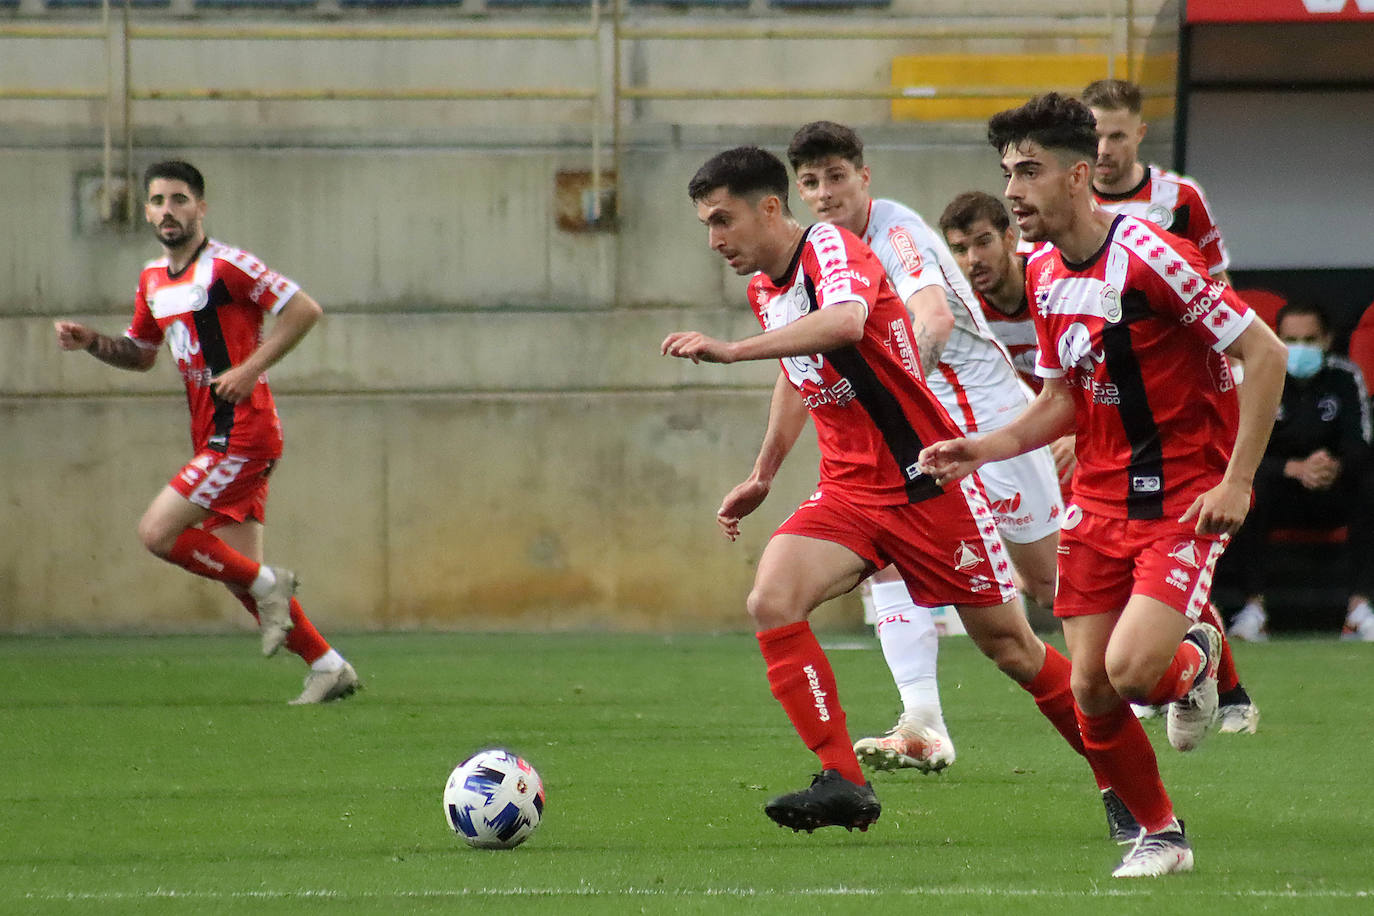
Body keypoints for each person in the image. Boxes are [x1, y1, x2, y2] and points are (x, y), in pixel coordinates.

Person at [661, 145, 1122, 838]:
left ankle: (1123, 779)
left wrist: (729, 351)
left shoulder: (830, 248)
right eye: (706, 224)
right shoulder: (766, 285)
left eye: (723, 220)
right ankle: (844, 779)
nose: (714, 239)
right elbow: (799, 365)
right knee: (772, 600)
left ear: (768, 208)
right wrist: (763, 472)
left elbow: (845, 322)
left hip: (926, 485)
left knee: (1013, 649)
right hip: (849, 491)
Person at [920, 93, 1287, 877]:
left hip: (1182, 497)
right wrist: (979, 448)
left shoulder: (1153, 256)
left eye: (1029, 171)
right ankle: (1163, 835)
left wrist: (1238, 482)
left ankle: (1192, 654)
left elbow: (1267, 355)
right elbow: (1059, 398)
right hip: (1097, 498)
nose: (1013, 189)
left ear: (1079, 175)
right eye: (1006, 172)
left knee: (1129, 671)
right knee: (1090, 688)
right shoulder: (1046, 271)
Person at [785, 121, 1064, 777]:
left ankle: (1171, 649)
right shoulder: (820, 255)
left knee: (1053, 586)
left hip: (986, 419)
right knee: (885, 555)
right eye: (811, 182)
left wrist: (898, 391)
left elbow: (932, 318)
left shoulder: (896, 232)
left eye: (836, 177)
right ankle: (923, 723)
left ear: (864, 177)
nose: (825, 193)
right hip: (922, 435)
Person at [940, 190, 1263, 735]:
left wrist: (1239, 479)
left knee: (1135, 651)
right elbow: (1057, 393)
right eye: (960, 249)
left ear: (1011, 239)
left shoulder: (1136, 257)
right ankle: (1148, 814)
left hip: (1156, 457)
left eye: (983, 242)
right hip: (1070, 453)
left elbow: (1257, 348)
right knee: (1091, 671)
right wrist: (991, 445)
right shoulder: (972, 310)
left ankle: (1212, 675)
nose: (974, 259)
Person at [54, 160, 360, 705]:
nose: (167, 211)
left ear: (200, 207)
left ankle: (272, 586)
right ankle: (328, 666)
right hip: (213, 436)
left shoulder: (228, 267)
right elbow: (142, 354)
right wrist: (92, 342)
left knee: (158, 533)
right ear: (147, 211)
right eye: (157, 201)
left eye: (178, 199)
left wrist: (247, 370)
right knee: (235, 573)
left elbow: (304, 310)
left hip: (244, 432)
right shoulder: (152, 279)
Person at [1222, 302, 1374, 642]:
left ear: (1327, 339)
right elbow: (1239, 446)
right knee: (1244, 488)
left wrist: (1334, 465)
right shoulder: (1259, 376)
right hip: (1279, 488)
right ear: (1276, 338)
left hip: (1332, 488)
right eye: (1291, 339)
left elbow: (1361, 443)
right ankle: (1253, 610)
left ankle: (1359, 609)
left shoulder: (1345, 376)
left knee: (1369, 485)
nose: (1299, 348)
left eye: (1309, 339)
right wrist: (1291, 468)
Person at [1082, 78, 1232, 287]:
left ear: (1140, 134)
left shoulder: (1182, 197)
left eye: (1117, 137)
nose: (1103, 150)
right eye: (1096, 136)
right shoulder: (1065, 199)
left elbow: (1217, 283)